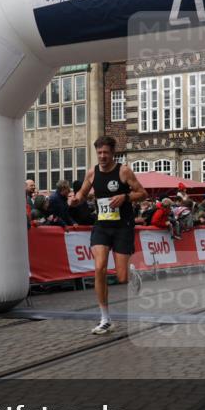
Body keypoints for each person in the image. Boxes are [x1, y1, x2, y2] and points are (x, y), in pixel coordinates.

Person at [69, 135, 147, 335]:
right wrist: (75, 200)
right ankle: (105, 319)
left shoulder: (123, 171)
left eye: (106, 152)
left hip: (122, 226)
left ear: (113, 153)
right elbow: (82, 194)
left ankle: (130, 273)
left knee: (121, 277)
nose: (102, 156)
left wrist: (125, 197)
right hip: (102, 226)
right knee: (99, 268)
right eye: (99, 153)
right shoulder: (92, 173)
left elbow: (143, 193)